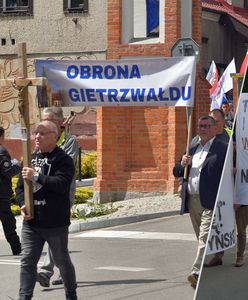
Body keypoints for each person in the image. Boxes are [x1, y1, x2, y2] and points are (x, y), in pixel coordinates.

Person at [16, 120, 77, 300]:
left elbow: (61, 184)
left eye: (42, 133)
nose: (37, 136)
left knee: (61, 261)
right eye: (36, 132)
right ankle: (24, 297)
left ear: (54, 136)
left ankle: (71, 294)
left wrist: (36, 175)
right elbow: (20, 188)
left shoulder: (62, 159)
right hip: (32, 222)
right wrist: (22, 203)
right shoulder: (30, 158)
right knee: (27, 261)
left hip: (55, 222)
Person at [173, 116, 228, 289]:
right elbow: (177, 171)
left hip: (211, 200)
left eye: (206, 126)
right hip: (193, 199)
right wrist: (182, 164)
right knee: (201, 236)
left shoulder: (222, 149)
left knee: (204, 235)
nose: (202, 128)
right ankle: (217, 253)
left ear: (214, 129)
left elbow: (229, 174)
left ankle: (196, 271)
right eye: (200, 125)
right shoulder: (192, 147)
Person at [37, 107, 79, 287]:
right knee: (57, 234)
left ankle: (47, 271)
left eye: (51, 119)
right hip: (44, 189)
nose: (46, 122)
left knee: (58, 230)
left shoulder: (69, 141)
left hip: (62, 191)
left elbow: (64, 164)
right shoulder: (40, 139)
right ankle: (64, 270)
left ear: (60, 122)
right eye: (44, 119)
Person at [0, 126, 22, 255]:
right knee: (8, 222)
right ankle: (17, 248)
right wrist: (18, 166)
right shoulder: (2, 151)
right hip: (1, 194)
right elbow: (8, 172)